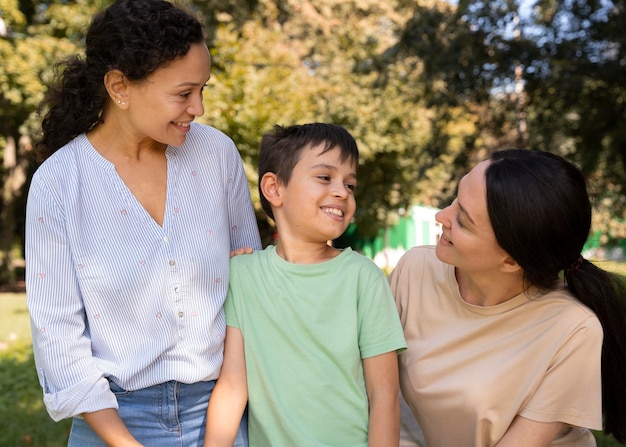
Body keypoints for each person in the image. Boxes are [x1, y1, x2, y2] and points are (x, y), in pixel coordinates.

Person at [25, 1, 261, 446]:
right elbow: (59, 339)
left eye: (203, 89)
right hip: (112, 421)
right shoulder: (58, 183)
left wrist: (221, 434)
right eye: (183, 93)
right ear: (120, 87)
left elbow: (247, 297)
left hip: (222, 413)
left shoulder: (216, 155)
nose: (199, 108)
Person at [389, 148, 626, 447]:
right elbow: (363, 385)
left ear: (512, 261)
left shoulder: (574, 329)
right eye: (455, 201)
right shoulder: (416, 271)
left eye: (463, 220)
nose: (441, 216)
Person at [203, 123, 407, 446]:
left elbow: (384, 397)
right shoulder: (241, 275)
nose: (342, 192)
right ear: (274, 189)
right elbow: (232, 386)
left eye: (350, 185)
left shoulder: (362, 278)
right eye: (325, 177)